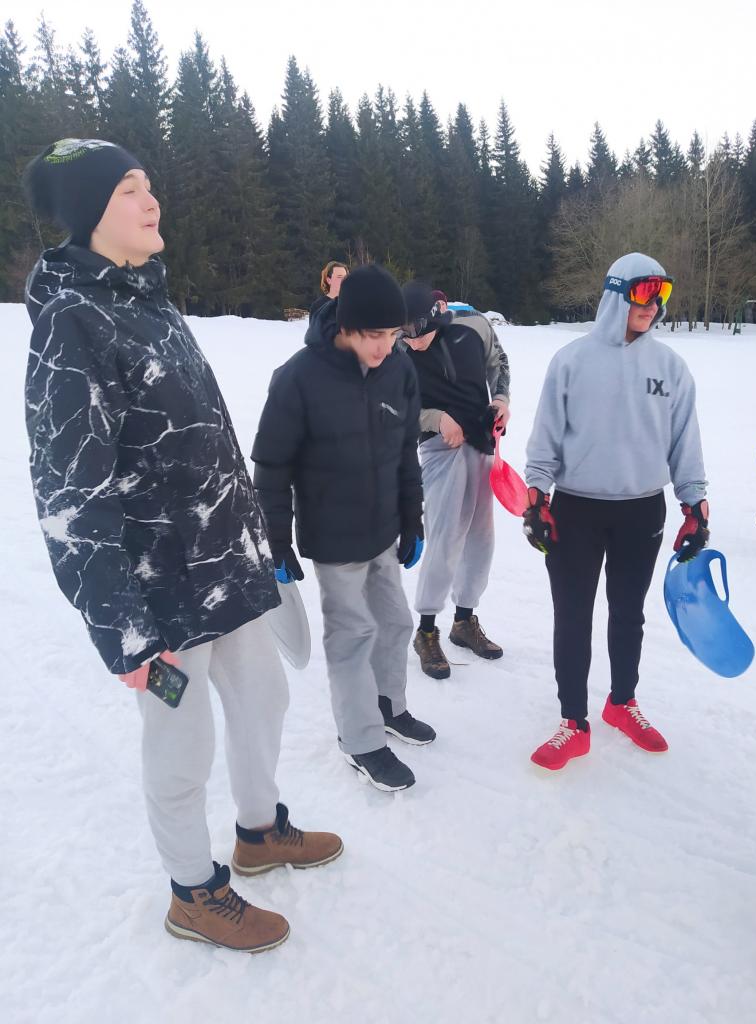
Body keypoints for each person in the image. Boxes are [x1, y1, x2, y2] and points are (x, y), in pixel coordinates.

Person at [22, 138, 342, 954]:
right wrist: (123, 629)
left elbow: (212, 442)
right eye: (129, 189)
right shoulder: (71, 322)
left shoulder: (151, 300)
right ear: (90, 213)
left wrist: (259, 542)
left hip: (225, 565)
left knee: (264, 698)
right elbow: (69, 495)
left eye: (148, 184)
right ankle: (193, 891)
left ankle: (259, 831)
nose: (150, 199)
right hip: (159, 589)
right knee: (182, 740)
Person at [252, 265, 435, 793]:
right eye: (373, 334)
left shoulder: (398, 369)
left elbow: (406, 452)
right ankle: (360, 740)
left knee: (395, 622)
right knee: (353, 635)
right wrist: (275, 540)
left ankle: (388, 706)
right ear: (346, 326)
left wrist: (412, 517)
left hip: (383, 528)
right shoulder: (299, 377)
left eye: (392, 334)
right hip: (333, 536)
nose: (384, 346)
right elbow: (271, 466)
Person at [524, 252, 709, 771]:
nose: (654, 305)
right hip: (576, 510)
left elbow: (685, 443)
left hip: (642, 510)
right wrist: (536, 500)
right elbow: (545, 440)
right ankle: (573, 721)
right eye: (645, 292)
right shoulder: (571, 361)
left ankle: (621, 702)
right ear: (616, 292)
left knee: (629, 613)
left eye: (662, 294)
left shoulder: (670, 367)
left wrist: (694, 505)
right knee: (573, 615)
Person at [400, 282, 510, 679]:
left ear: (436, 316)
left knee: (481, 538)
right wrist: (435, 419)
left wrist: (501, 400)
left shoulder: (473, 325)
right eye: (403, 333)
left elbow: (499, 362)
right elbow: (390, 408)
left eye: (417, 332)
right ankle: (426, 631)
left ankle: (464, 620)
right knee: (445, 536)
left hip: (481, 441)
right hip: (438, 448)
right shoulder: (395, 349)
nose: (412, 341)